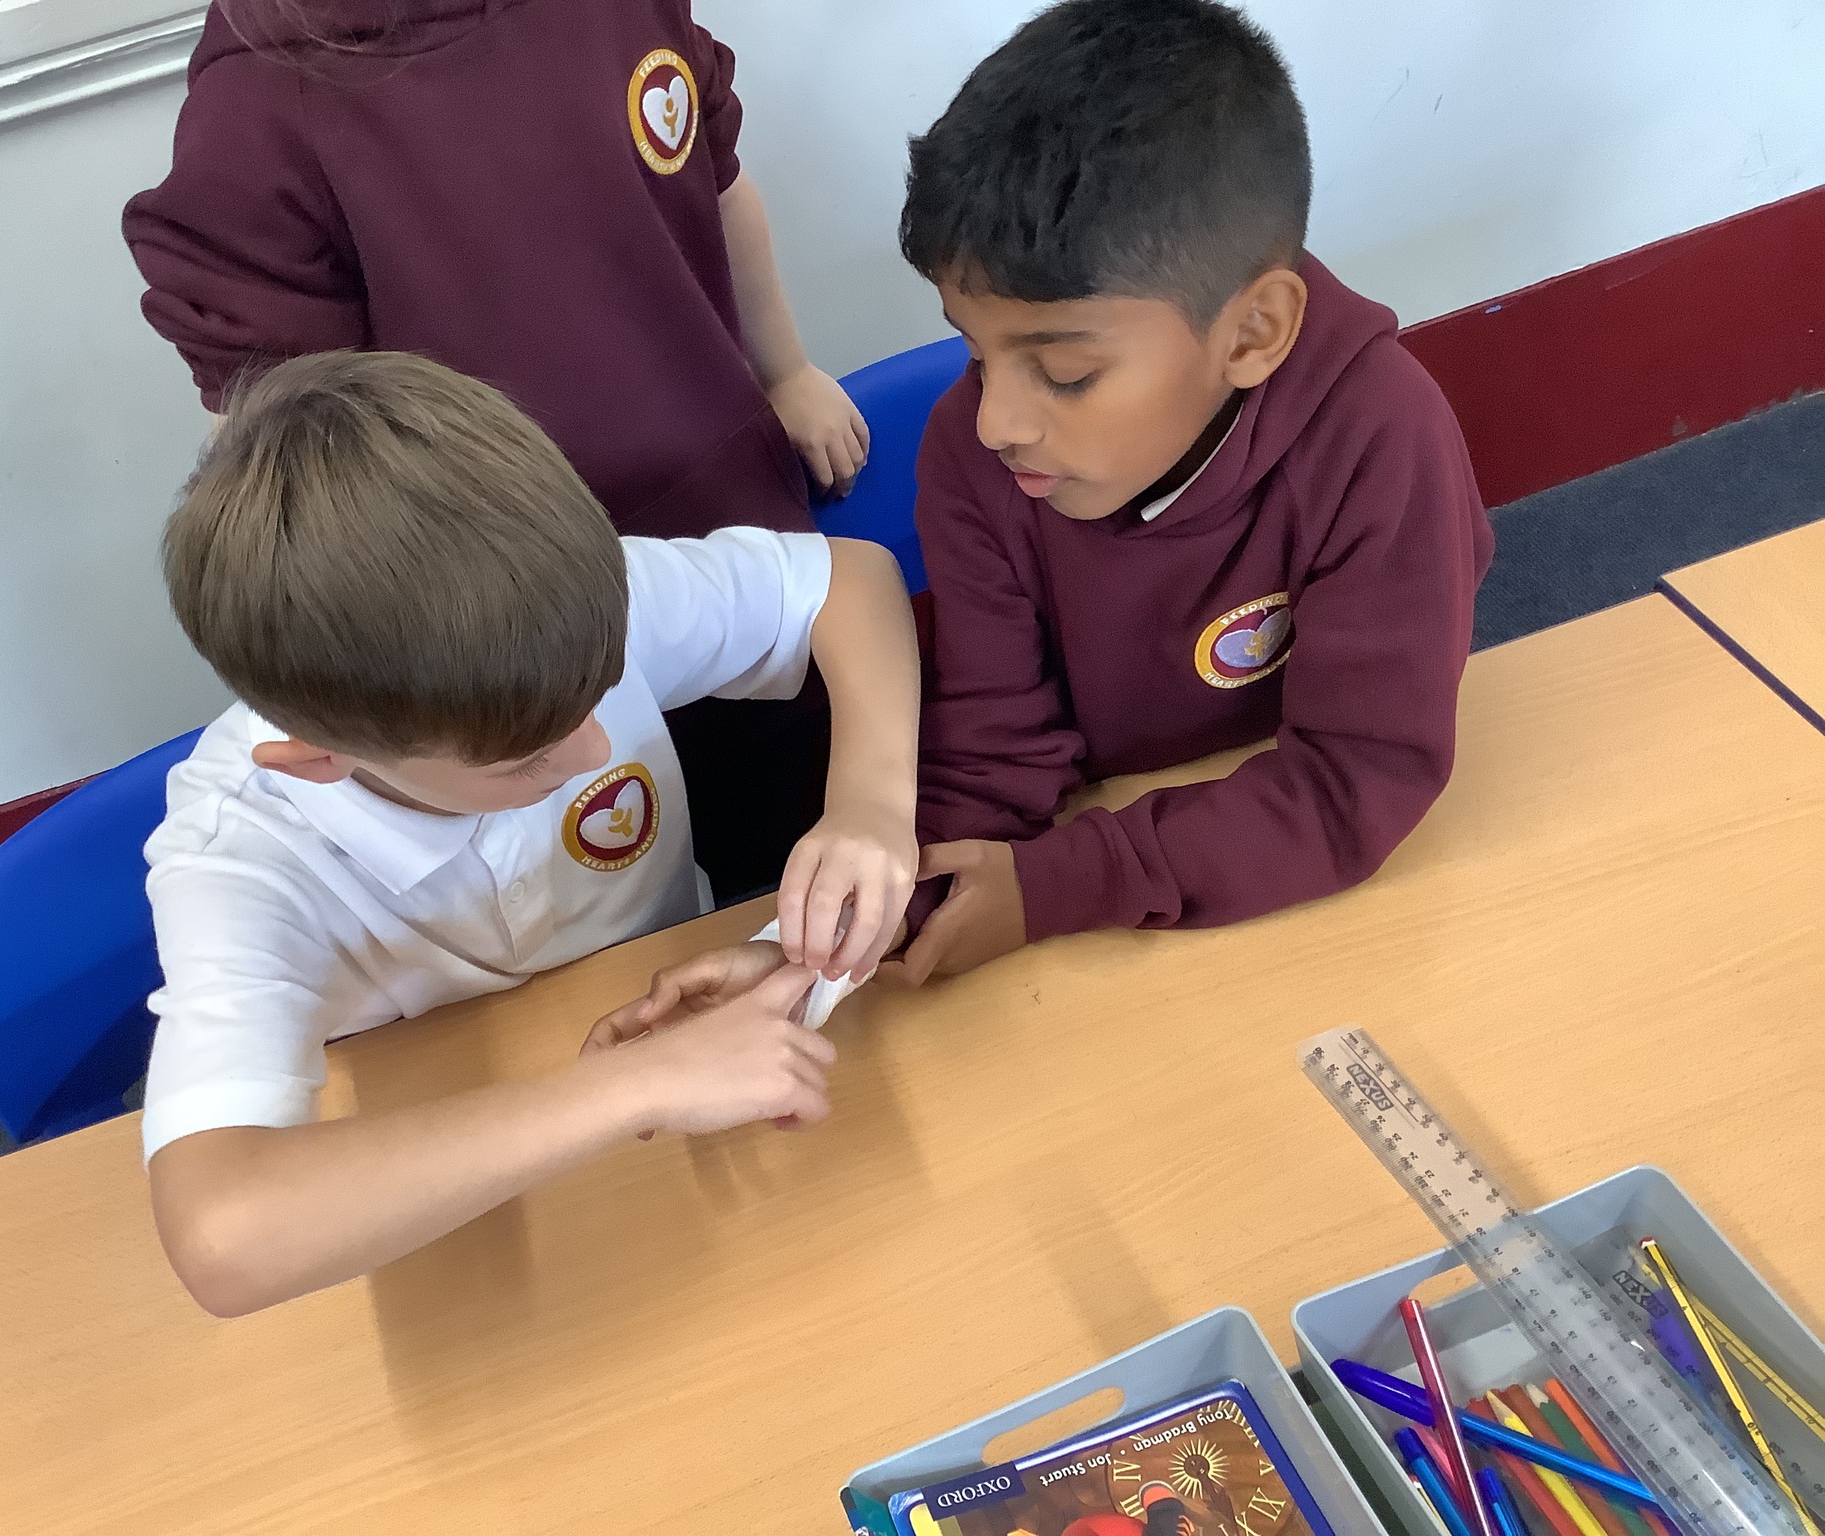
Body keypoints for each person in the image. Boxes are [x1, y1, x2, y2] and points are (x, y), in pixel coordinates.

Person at [142, 350, 917, 1316]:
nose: (597, 750)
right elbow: (225, 1236)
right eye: (524, 760)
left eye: (603, 692)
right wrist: (639, 1086)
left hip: (685, 1081)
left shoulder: (567, 603)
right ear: (320, 761)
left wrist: (872, 802)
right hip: (460, 1209)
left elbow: (849, 580)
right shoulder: (240, 856)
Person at [121, 0, 870, 900]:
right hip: (489, 619)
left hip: (722, 510)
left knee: (787, 829)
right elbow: (283, 433)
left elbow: (716, 181)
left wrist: (787, 371)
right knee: (580, 877)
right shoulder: (260, 107)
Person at [882, 0, 1494, 984]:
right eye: (974, 350)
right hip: (1143, 867)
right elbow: (992, 754)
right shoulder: (971, 453)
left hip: (1276, 902)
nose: (996, 420)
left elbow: (1357, 777)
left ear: (1251, 334)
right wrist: (869, 923)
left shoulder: (1381, 438)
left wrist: (1068, 882)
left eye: (1065, 373)